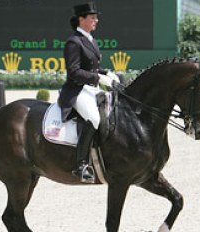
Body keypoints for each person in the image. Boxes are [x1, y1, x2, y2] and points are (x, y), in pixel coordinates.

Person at [58, 2, 119, 183]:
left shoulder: (90, 40)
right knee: (94, 118)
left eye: (96, 17)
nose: (96, 20)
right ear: (81, 19)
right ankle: (81, 164)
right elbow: (74, 72)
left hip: (90, 89)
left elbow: (92, 68)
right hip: (76, 90)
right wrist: (98, 79)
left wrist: (105, 73)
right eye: (92, 17)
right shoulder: (73, 42)